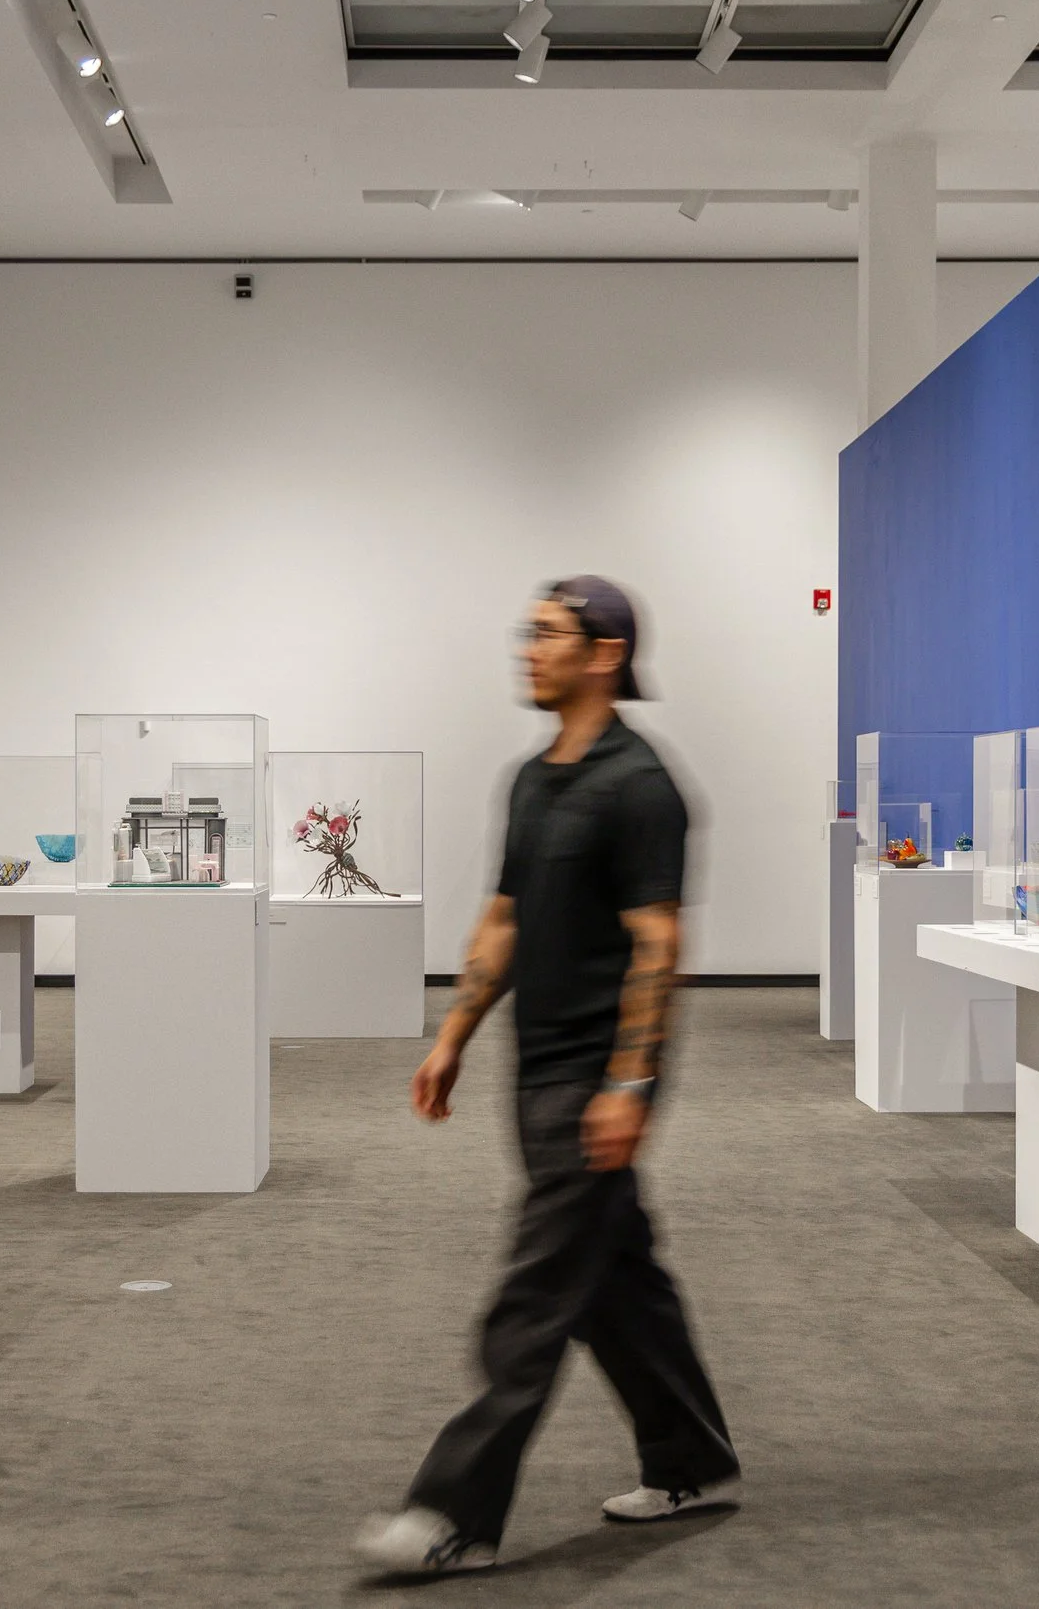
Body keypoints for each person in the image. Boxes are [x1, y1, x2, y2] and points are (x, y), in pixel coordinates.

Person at [355, 576, 738, 1578]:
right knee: (616, 1279)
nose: (528, 648)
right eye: (529, 631)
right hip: (533, 1069)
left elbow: (659, 948)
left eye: (550, 634)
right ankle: (691, 1454)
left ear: (605, 652)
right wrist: (454, 1032)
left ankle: (456, 1511)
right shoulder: (533, 779)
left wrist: (630, 1083)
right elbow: (505, 915)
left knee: (533, 1297)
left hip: (589, 1082)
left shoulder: (642, 786)